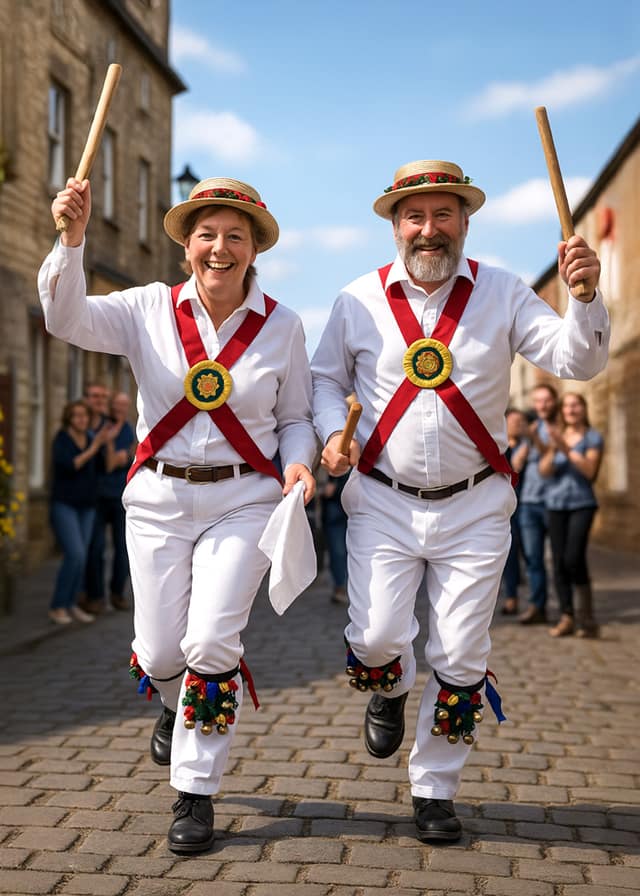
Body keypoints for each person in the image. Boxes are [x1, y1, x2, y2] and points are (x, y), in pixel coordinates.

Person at [311, 159, 609, 843]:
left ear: (465, 222)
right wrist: (335, 433)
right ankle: (387, 687)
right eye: (415, 215)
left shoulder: (502, 293)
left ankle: (435, 790)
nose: (429, 228)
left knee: (462, 653)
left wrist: (586, 299)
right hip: (382, 499)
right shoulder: (356, 299)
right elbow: (326, 379)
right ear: (394, 225)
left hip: (475, 504)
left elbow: (578, 361)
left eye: (444, 214)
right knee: (379, 636)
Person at [39, 175, 317, 855]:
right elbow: (64, 319)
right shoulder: (145, 309)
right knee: (162, 651)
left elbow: (296, 416)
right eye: (206, 233)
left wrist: (299, 459)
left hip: (245, 499)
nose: (219, 247)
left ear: (255, 249)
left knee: (212, 645)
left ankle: (195, 791)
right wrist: (71, 240)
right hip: (159, 499)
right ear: (186, 244)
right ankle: (171, 702)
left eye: (235, 236)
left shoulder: (283, 326)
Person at [539, 392, 603, 637]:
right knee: (558, 561)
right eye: (567, 406)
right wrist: (553, 449)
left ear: (583, 409)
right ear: (562, 411)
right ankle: (567, 616)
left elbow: (589, 470)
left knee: (573, 558)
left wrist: (565, 449)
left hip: (582, 504)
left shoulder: (592, 437)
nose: (571, 410)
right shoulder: (557, 437)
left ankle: (587, 618)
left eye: (575, 405)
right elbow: (544, 471)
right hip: (555, 504)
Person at [48, 400, 113, 624]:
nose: (81, 420)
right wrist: (94, 448)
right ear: (69, 418)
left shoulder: (92, 438)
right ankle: (57, 606)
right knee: (74, 553)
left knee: (82, 557)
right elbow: (70, 465)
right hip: (64, 504)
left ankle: (71, 604)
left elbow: (105, 467)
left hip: (87, 506)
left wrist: (107, 444)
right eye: (76, 416)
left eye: (84, 416)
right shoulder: (62, 439)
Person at [84, 392, 136, 614]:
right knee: (96, 548)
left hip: (121, 496)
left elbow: (119, 460)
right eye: (116, 406)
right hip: (97, 495)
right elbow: (108, 464)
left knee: (122, 549)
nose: (119, 410)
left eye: (123, 406)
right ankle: (95, 596)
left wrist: (114, 446)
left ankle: (117, 594)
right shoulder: (104, 428)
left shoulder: (128, 431)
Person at [517, 383, 559, 625]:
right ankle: (538, 605)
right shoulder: (534, 429)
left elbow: (549, 459)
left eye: (546, 400)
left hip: (554, 502)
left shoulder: (558, 427)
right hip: (529, 502)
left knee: (562, 560)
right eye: (538, 401)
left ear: (554, 402)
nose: (542, 405)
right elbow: (519, 463)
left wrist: (534, 439)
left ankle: (568, 608)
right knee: (533, 558)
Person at [500, 408, 528, 615]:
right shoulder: (499, 447)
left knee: (530, 554)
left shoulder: (531, 447)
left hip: (528, 504)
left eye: (521, 421)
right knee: (510, 554)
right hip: (508, 508)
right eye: (513, 421)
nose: (517, 424)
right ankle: (511, 597)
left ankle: (535, 600)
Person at [319, 469, 349, 604]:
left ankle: (341, 587)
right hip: (340, 501)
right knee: (340, 550)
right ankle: (342, 586)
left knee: (338, 550)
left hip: (337, 500)